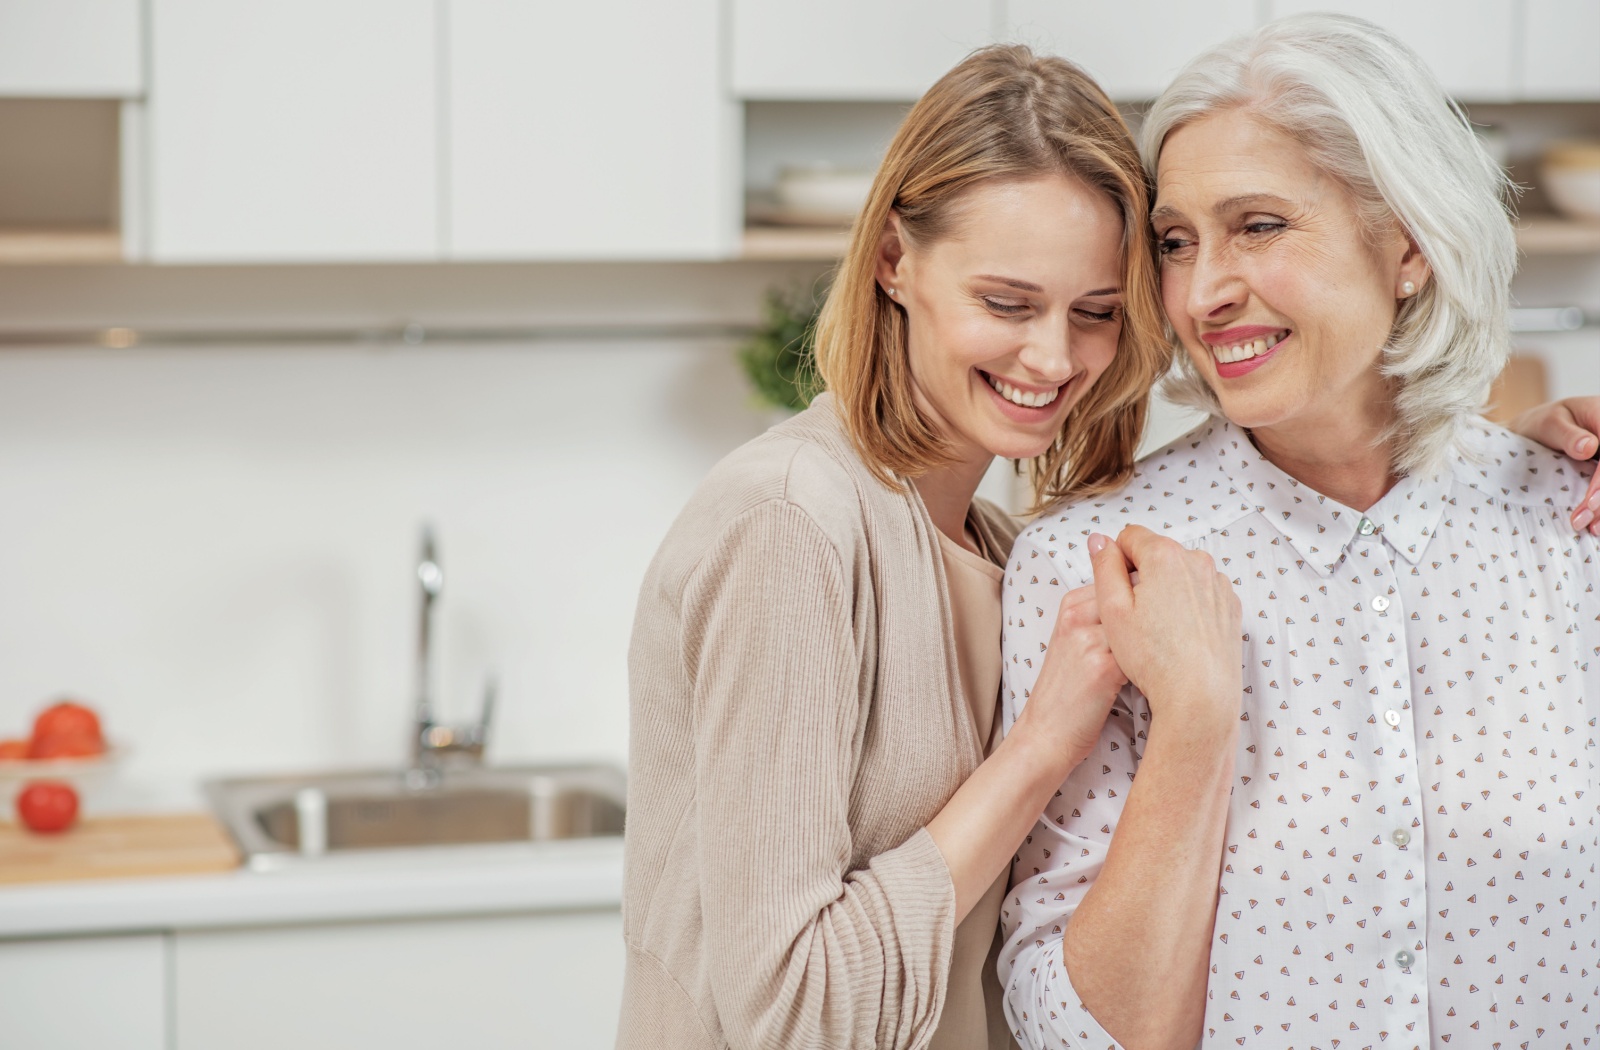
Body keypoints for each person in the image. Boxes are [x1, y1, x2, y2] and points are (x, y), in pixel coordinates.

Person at [997, 13, 1600, 1050]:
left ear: (1409, 244)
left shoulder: (1568, 526)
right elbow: (1068, 1030)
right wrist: (1194, 725)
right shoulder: (1096, 568)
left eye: (1260, 226)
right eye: (1176, 242)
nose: (1203, 292)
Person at [615, 44, 1220, 1050]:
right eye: (1006, 303)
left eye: (1096, 314)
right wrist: (1038, 750)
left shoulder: (1001, 547)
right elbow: (794, 1014)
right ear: (894, 261)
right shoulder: (790, 524)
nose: (1052, 356)